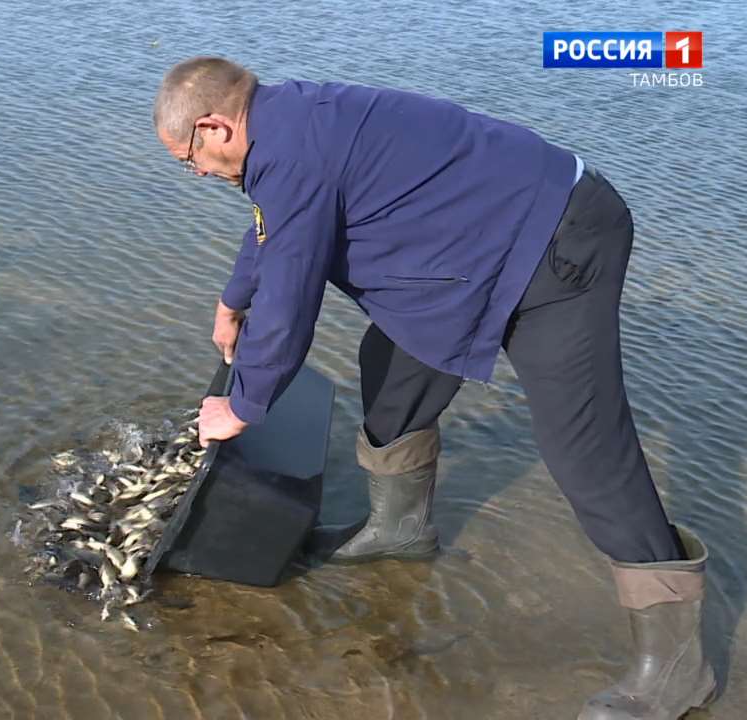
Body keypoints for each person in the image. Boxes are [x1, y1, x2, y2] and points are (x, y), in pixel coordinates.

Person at [153, 56, 717, 720]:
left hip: (556, 241)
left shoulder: (291, 149)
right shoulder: (283, 126)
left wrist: (242, 405)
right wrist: (231, 298)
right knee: (390, 371)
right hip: (469, 253)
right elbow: (273, 228)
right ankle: (400, 530)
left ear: (216, 125)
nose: (194, 173)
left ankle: (677, 669)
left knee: (585, 449)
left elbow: (292, 298)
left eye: (188, 158)